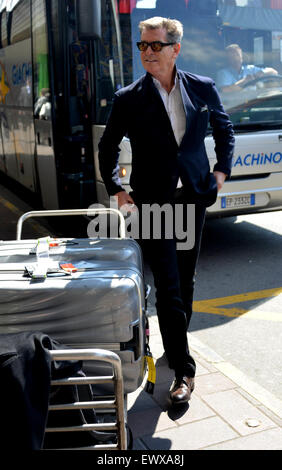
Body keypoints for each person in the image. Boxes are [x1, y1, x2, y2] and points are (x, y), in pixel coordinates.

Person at [98, 17, 234, 405]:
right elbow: (107, 147)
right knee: (170, 288)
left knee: (186, 283)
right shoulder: (129, 98)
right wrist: (117, 190)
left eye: (155, 45)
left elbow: (225, 130)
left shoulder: (202, 87)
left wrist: (220, 172)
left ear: (176, 48)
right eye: (142, 45)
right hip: (153, 204)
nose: (147, 52)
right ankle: (184, 372)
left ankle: (173, 349)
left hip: (192, 198)